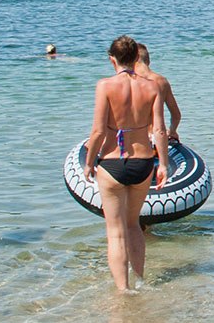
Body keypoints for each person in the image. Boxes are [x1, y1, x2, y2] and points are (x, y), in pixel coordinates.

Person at [84, 36, 170, 292]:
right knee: (134, 225)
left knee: (116, 232)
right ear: (136, 58)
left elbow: (99, 131)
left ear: (112, 59)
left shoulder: (105, 86)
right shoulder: (152, 87)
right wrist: (162, 164)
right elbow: (160, 130)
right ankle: (141, 281)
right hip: (143, 163)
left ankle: (124, 291)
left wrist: (89, 163)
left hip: (113, 165)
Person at [135, 43, 182, 141]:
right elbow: (176, 115)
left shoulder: (126, 82)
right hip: (157, 136)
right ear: (148, 60)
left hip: (136, 138)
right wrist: (172, 131)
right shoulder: (162, 81)